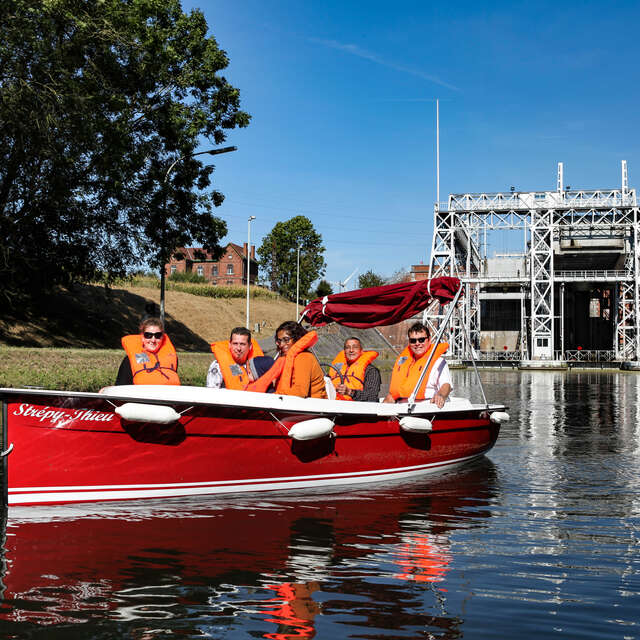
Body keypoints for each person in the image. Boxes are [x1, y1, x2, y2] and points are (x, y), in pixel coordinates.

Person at [248, 321, 327, 398]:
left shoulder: (304, 358)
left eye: (286, 339)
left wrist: (275, 396)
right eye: (279, 341)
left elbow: (300, 392)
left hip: (312, 407)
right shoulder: (288, 358)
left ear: (297, 338)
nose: (282, 344)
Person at [383, 321, 451, 407]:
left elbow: (446, 385)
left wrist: (441, 395)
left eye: (421, 340)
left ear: (429, 340)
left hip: (426, 406)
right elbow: (393, 395)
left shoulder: (439, 361)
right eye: (413, 341)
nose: (417, 343)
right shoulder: (404, 361)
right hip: (400, 407)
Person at [116, 317, 180, 385]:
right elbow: (120, 386)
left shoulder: (171, 358)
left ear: (162, 337)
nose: (153, 340)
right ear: (142, 337)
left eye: (157, 335)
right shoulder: (129, 360)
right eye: (148, 335)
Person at [330, 337, 381, 402]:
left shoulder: (371, 371)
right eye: (347, 347)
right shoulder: (336, 369)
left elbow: (372, 397)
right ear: (344, 351)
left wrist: (350, 392)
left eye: (355, 347)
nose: (351, 350)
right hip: (334, 405)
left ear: (361, 351)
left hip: (357, 408)